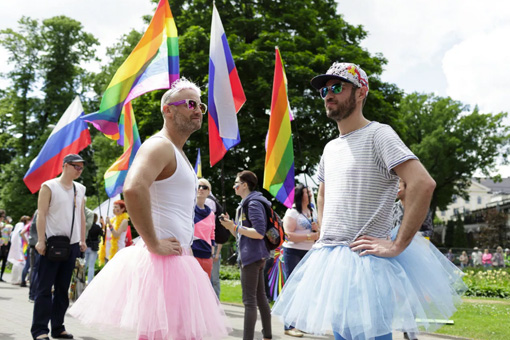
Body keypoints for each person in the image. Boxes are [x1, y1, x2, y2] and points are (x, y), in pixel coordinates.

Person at [272, 62, 465, 340]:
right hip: (332, 261)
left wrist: (398, 244)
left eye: (337, 87)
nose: (328, 94)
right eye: (324, 89)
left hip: (366, 263)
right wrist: (324, 236)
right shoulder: (330, 147)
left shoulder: (379, 134)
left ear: (360, 92)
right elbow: (324, 193)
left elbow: (423, 183)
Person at [69, 77, 230, 340]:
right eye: (190, 103)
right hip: (163, 262)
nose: (197, 110)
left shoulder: (178, 152)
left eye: (200, 106)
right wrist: (153, 242)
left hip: (179, 259)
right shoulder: (159, 145)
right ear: (168, 110)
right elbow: (133, 188)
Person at [31, 153, 87, 340]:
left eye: (81, 167)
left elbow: (81, 216)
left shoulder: (80, 189)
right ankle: (40, 330)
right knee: (44, 289)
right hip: (51, 244)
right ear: (65, 165)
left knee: (63, 289)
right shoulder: (49, 186)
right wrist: (40, 240)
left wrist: (82, 239)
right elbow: (42, 215)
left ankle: (58, 327)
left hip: (71, 246)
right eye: (76, 166)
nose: (79, 170)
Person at [220, 170, 272, 340]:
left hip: (252, 257)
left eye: (236, 182)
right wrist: (231, 226)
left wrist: (234, 227)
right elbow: (242, 234)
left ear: (244, 185)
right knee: (260, 298)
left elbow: (258, 232)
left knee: (250, 302)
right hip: (255, 255)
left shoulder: (252, 204)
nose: (234, 185)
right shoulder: (246, 204)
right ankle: (267, 335)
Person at [281, 184, 319, 337]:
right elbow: (288, 234)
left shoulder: (312, 211)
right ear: (299, 195)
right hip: (293, 252)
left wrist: (318, 229)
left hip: (310, 253)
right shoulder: (292, 213)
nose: (310, 193)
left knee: (306, 288)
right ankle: (288, 325)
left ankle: (301, 323)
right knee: (293, 287)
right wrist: (310, 236)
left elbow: (320, 232)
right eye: (306, 192)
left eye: (309, 191)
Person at [192, 178, 216, 278]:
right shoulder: (189, 209)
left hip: (206, 255)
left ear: (208, 192)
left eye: (204, 187)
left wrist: (212, 250)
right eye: (198, 186)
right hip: (191, 254)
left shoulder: (211, 214)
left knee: (205, 287)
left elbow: (212, 233)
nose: (201, 189)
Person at [98, 200, 129, 265]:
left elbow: (116, 235)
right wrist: (103, 224)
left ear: (122, 209)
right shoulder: (113, 219)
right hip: (108, 251)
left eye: (116, 207)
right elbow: (108, 232)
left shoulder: (124, 221)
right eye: (113, 207)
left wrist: (109, 224)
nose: (113, 209)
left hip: (117, 251)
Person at [7, 215, 30, 284]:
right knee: (20, 263)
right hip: (21, 246)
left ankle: (15, 280)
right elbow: (21, 235)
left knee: (17, 263)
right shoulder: (21, 226)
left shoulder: (18, 225)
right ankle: (19, 280)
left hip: (18, 247)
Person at [84, 214, 103, 283]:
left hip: (86, 246)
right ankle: (90, 281)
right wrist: (102, 225)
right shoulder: (97, 227)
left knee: (84, 265)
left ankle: (81, 280)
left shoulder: (86, 226)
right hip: (94, 247)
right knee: (91, 265)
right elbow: (102, 234)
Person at [0, 210, 12, 282]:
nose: (4, 218)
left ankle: (1, 276)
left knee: (4, 260)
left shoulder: (3, 225)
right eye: (3, 216)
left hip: (4, 244)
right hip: (2, 244)